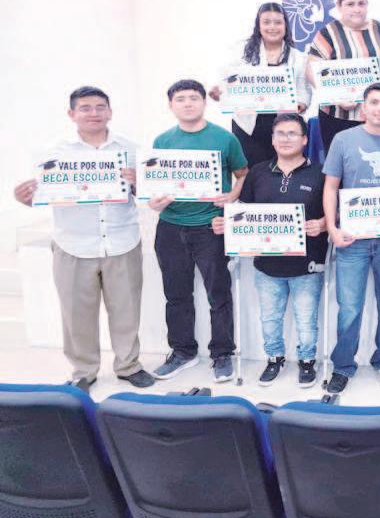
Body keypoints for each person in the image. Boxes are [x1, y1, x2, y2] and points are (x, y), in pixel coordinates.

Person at [12, 86, 153, 392]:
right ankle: (84, 371)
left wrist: (139, 184)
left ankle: (128, 365)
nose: (94, 113)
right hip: (73, 244)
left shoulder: (131, 149)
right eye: (85, 108)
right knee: (76, 315)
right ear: (72, 113)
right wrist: (25, 198)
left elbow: (149, 194)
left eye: (100, 107)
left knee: (127, 310)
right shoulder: (53, 153)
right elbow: (41, 194)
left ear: (110, 112)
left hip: (122, 241)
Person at [211, 114, 327, 388]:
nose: (286, 139)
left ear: (305, 139)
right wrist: (227, 223)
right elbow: (245, 213)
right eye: (280, 134)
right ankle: (274, 359)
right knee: (270, 318)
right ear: (272, 140)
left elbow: (333, 213)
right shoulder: (257, 172)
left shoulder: (321, 173)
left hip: (308, 265)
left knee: (306, 320)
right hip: (266, 265)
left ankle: (307, 361)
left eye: (292, 133)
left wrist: (322, 224)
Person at [149, 80, 248, 383]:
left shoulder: (224, 138)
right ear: (171, 105)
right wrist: (154, 201)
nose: (188, 103)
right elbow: (156, 183)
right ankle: (182, 352)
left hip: (211, 227)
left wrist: (232, 196)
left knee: (218, 294)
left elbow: (243, 173)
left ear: (204, 102)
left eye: (194, 97)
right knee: (176, 294)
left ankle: (222, 354)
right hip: (171, 226)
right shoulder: (163, 141)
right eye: (180, 99)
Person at [322, 82, 380, 393]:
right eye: (374, 102)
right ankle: (343, 366)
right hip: (352, 239)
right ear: (364, 107)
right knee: (349, 307)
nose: (379, 108)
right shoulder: (343, 139)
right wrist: (333, 228)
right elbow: (331, 187)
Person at [209, 2, 312, 166]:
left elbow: (304, 90)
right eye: (266, 22)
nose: (272, 27)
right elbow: (226, 80)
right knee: (251, 174)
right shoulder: (240, 51)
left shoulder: (299, 58)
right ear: (259, 26)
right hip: (247, 125)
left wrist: (301, 104)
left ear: (285, 25)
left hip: (284, 126)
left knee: (283, 172)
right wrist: (219, 92)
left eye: (278, 22)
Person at [308, 0, 380, 153]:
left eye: (361, 3)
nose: (357, 9)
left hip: (374, 116)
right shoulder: (328, 32)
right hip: (337, 116)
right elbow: (311, 71)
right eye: (350, 4)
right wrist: (337, 97)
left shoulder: (378, 28)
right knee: (339, 163)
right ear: (339, 6)